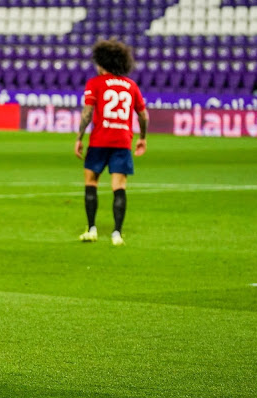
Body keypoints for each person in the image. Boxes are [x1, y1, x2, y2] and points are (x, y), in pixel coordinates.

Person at [74, 39, 148, 246]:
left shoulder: (95, 83)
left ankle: (91, 229)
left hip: (99, 140)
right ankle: (117, 234)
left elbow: (87, 113)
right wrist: (142, 137)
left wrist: (79, 138)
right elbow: (143, 115)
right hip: (122, 141)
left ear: (102, 62)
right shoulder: (131, 85)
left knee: (91, 183)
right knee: (119, 186)